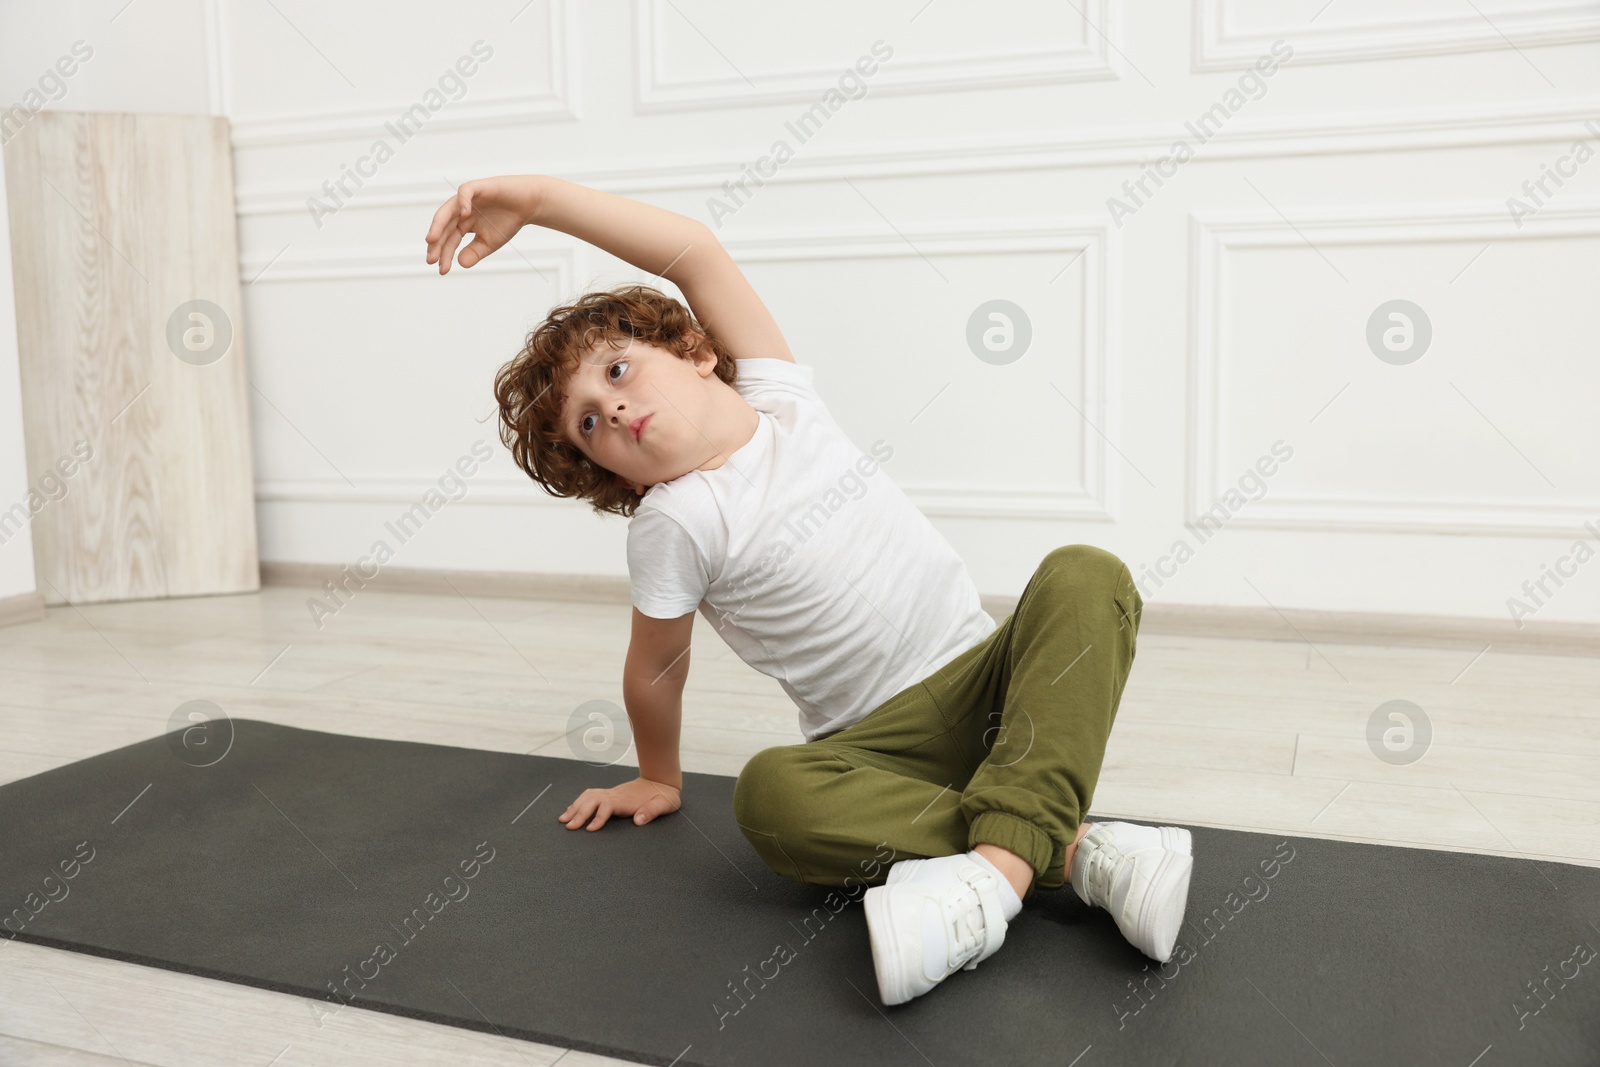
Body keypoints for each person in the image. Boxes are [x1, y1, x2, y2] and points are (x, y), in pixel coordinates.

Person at [423, 174, 1195, 1006]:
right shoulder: (674, 522)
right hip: (871, 748)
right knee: (770, 797)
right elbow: (655, 665)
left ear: (697, 352)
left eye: (619, 371)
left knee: (1090, 574)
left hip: (990, 680)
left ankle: (995, 878)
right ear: (602, 468)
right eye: (588, 423)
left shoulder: (781, 397)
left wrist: (540, 202)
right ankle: (1079, 851)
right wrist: (659, 774)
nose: (613, 407)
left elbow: (692, 250)